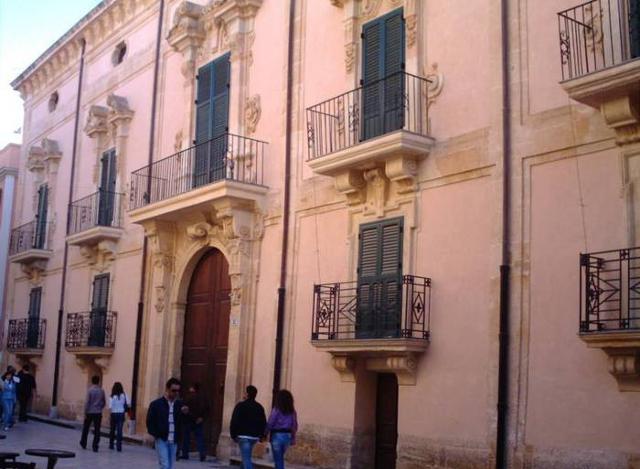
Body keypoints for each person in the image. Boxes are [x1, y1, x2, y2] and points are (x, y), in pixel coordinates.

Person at [146, 378, 189, 469]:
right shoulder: (156, 404)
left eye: (178, 391)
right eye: (174, 390)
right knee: (165, 465)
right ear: (167, 389)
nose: (176, 393)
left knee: (170, 466)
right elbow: (149, 422)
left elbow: (185, 422)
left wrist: (185, 414)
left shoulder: (180, 405)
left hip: (174, 440)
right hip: (162, 439)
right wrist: (157, 434)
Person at [230, 385, 267, 469]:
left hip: (243, 437)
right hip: (254, 437)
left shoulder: (240, 406)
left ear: (247, 394)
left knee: (246, 460)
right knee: (245, 457)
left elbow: (234, 420)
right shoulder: (259, 407)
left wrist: (233, 435)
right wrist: (262, 435)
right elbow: (263, 422)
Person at [266, 390, 298, 469]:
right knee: (279, 459)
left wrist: (265, 432)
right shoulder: (292, 412)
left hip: (277, 436)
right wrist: (293, 438)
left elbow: (270, 422)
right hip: (287, 436)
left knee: (278, 460)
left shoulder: (276, 409)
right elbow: (294, 426)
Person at [179, 383, 209, 462]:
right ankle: (202, 454)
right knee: (199, 438)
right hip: (198, 420)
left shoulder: (188, 397)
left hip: (188, 419)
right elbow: (207, 408)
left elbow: (184, 407)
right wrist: (202, 417)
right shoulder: (203, 398)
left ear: (192, 388)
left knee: (186, 437)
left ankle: (185, 454)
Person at [80, 375, 106, 452]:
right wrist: (100, 407)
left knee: (86, 428)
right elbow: (104, 402)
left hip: (90, 412)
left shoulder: (90, 390)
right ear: (98, 381)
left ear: (92, 381)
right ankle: (95, 446)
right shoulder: (101, 391)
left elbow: (87, 402)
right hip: (98, 412)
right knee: (97, 430)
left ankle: (83, 442)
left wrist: (85, 412)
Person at [109, 382, 128, 452]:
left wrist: (109, 415)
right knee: (119, 431)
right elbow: (128, 404)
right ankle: (119, 446)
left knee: (112, 430)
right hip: (121, 414)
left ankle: (111, 445)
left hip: (114, 413)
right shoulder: (124, 395)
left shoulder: (112, 396)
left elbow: (110, 407)